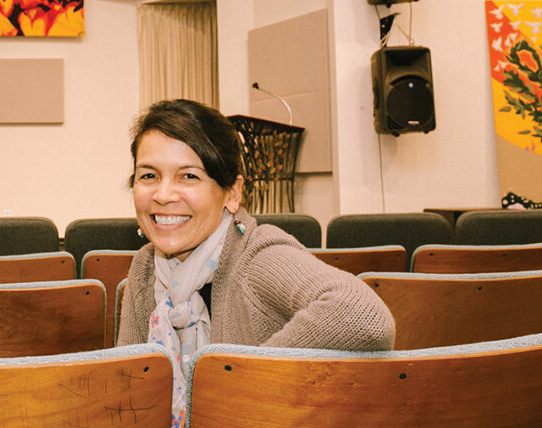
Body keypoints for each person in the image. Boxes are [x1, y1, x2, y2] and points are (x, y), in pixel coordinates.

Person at [116, 99, 395, 428]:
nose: (163, 195)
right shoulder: (145, 267)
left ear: (232, 193)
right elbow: (128, 393)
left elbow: (365, 317)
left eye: (188, 176)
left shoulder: (257, 255)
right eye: (148, 175)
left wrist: (232, 383)